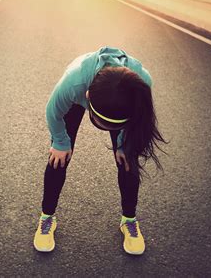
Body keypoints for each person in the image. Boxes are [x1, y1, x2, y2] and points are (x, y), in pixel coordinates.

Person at [33, 46, 168, 255]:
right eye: (101, 123)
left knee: (128, 160)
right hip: (83, 91)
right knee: (58, 157)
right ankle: (47, 217)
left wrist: (124, 144)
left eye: (113, 126)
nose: (107, 130)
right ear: (87, 98)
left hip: (122, 102)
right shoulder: (74, 83)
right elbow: (53, 112)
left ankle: (129, 220)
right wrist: (60, 141)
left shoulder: (141, 85)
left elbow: (140, 120)